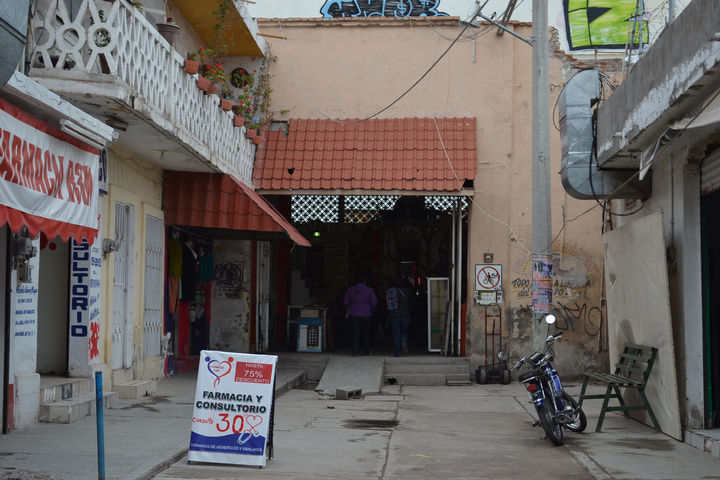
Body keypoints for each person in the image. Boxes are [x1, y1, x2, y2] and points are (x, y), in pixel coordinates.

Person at [344, 275, 378, 356]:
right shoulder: (370, 290)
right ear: (365, 281)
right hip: (366, 314)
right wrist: (370, 309)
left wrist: (349, 307)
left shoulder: (350, 289)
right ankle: (366, 351)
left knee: (355, 333)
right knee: (365, 333)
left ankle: (355, 352)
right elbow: (374, 303)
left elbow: (345, 301)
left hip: (353, 313)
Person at [386, 276, 412, 357]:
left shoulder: (390, 291)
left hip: (395, 315)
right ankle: (403, 341)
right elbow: (411, 304)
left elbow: (387, 305)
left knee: (396, 334)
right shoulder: (407, 291)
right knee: (404, 332)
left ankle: (397, 353)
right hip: (406, 315)